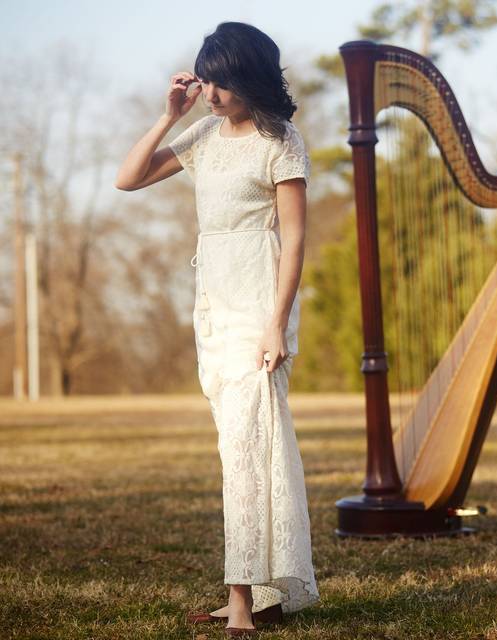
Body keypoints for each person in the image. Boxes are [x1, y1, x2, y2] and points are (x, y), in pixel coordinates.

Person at [114, 21, 318, 637]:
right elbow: (127, 179)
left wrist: (276, 324)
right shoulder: (201, 133)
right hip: (213, 303)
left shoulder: (281, 140)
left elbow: (297, 239)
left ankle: (241, 602)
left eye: (221, 82)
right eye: (207, 81)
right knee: (240, 450)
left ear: (247, 76)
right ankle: (263, 591)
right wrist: (167, 117)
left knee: (246, 451)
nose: (211, 93)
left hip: (260, 302)